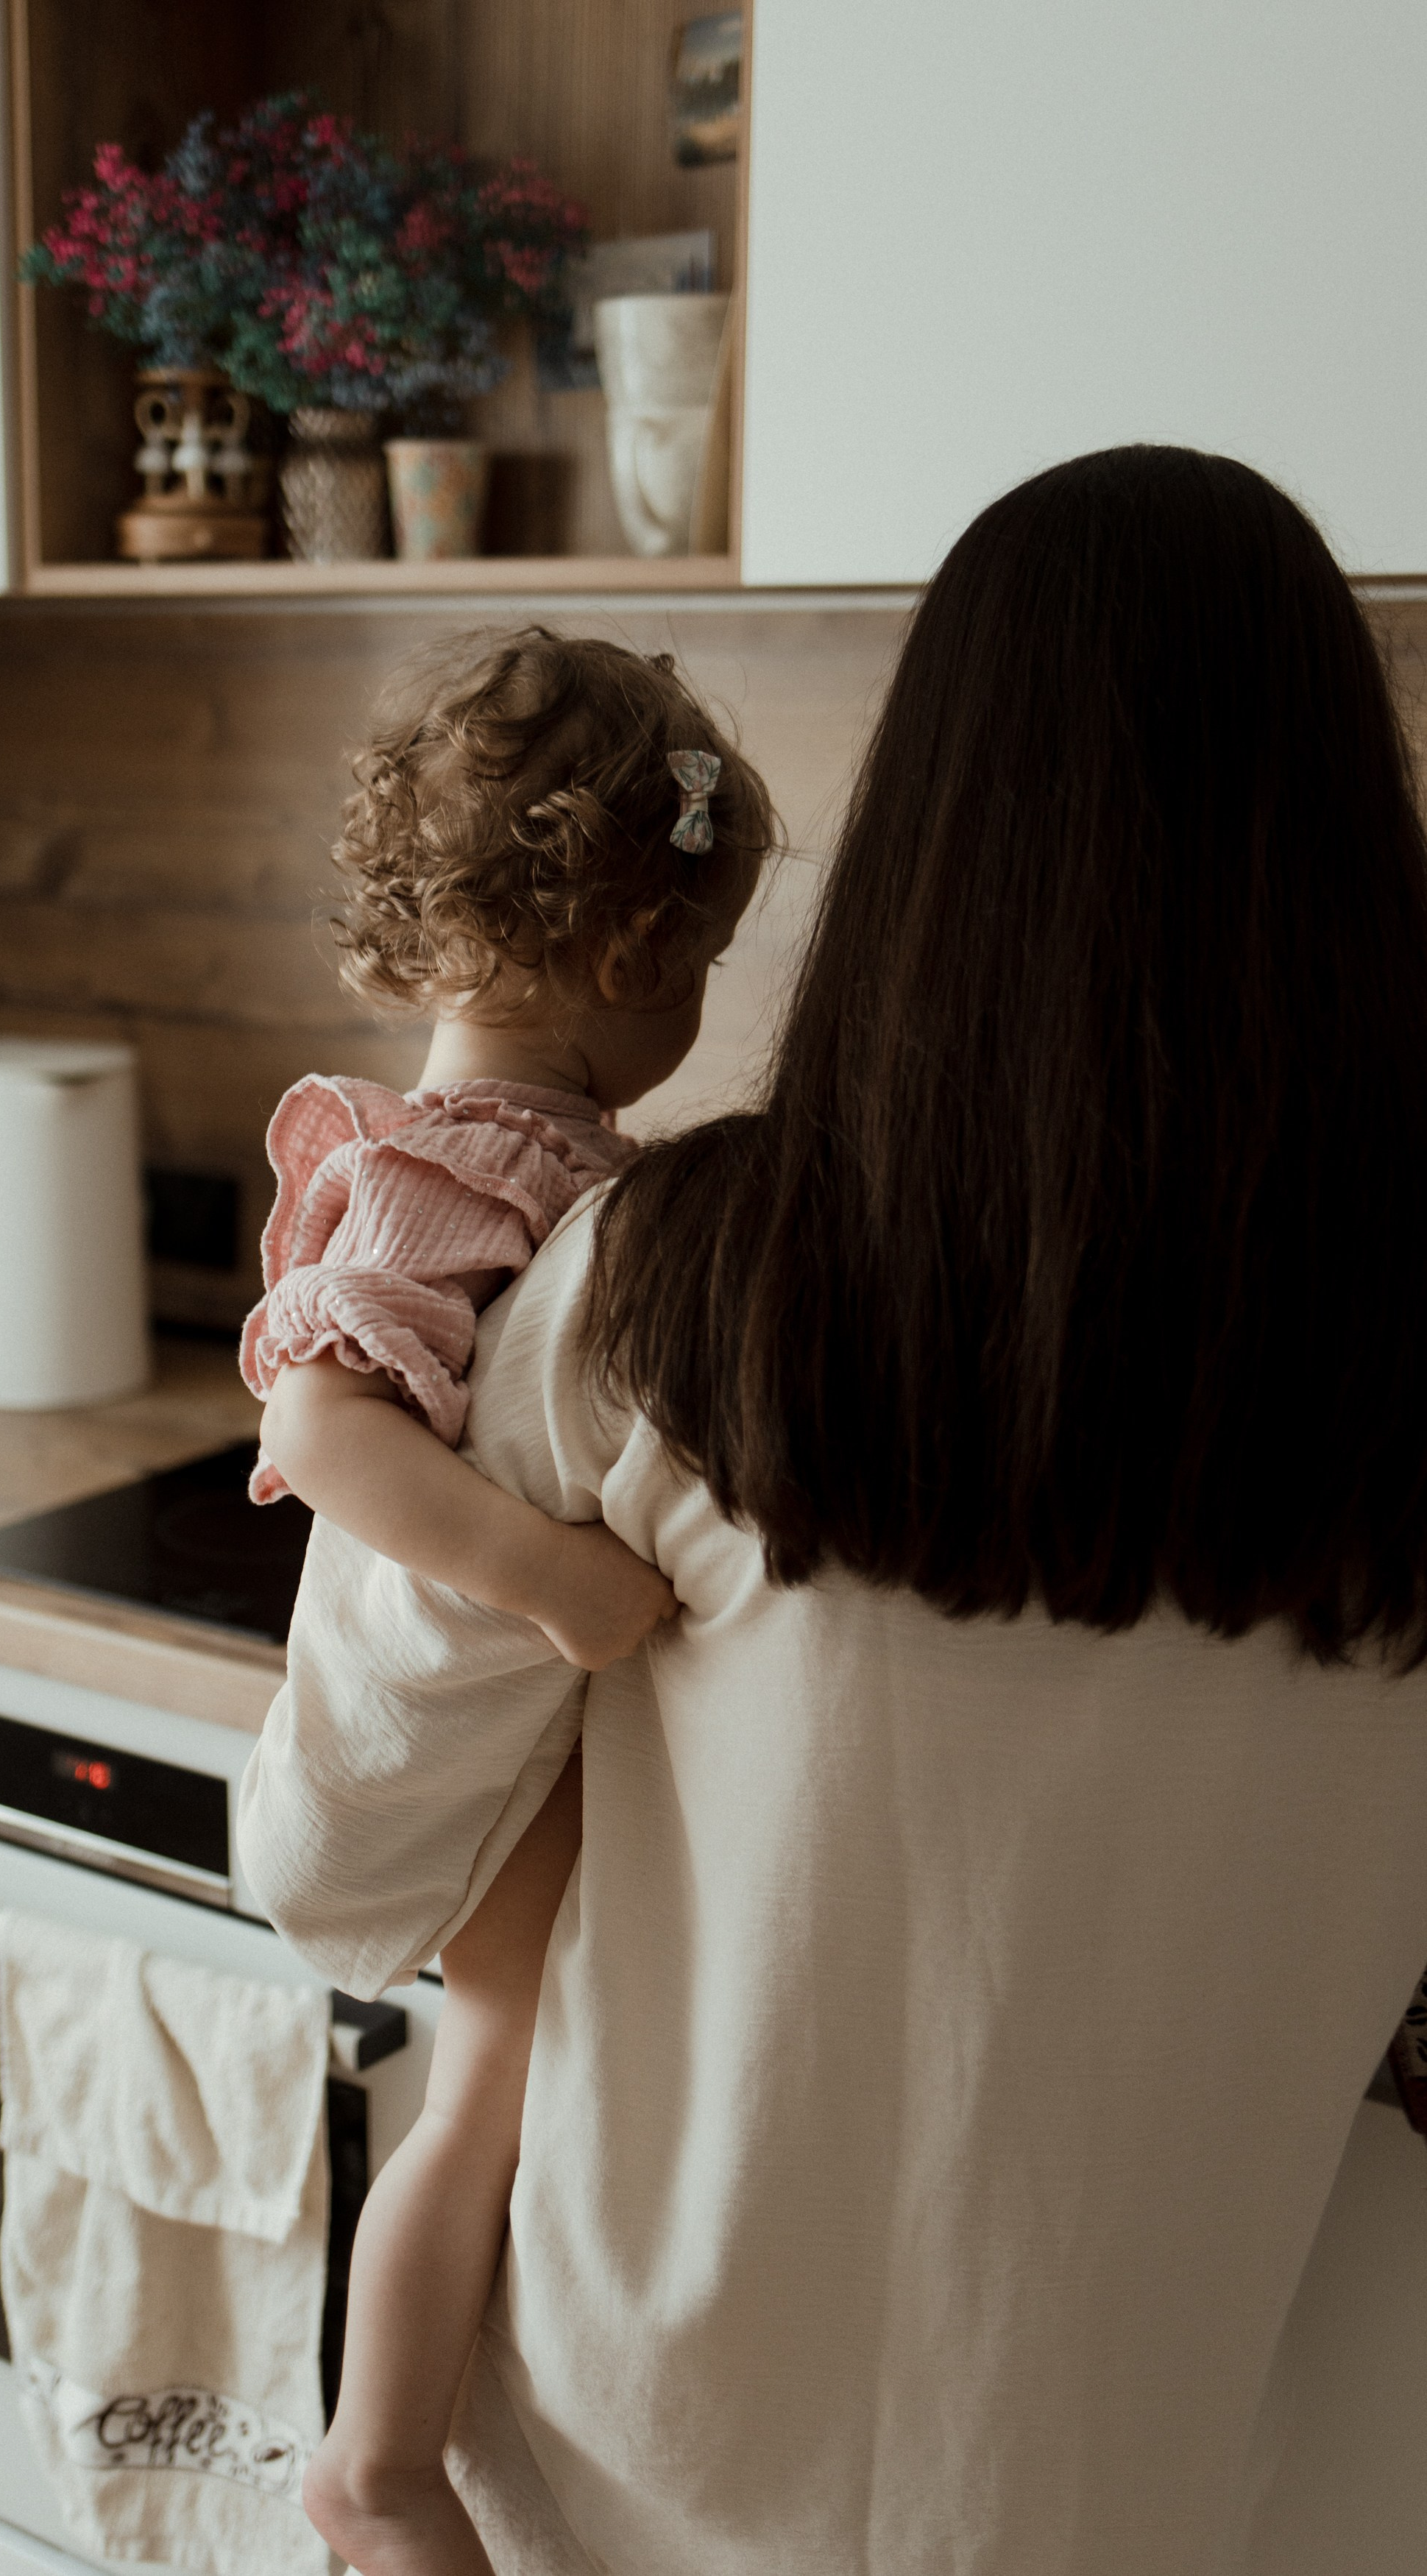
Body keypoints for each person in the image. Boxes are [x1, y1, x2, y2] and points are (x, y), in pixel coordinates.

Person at [240, 447, 1427, 2576]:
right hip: (1176, 2485)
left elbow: (327, 1863)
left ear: (928, 831)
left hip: (638, 2483)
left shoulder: (665, 1287)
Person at [236, 627, 775, 2575]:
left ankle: (408, 2453)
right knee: (486, 2084)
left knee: (516, 2077)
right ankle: (374, 2467)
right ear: (633, 956)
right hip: (419, 1751)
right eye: (703, 966)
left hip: (492, 1745)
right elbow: (323, 1420)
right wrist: (550, 1576)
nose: (699, 1003)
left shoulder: (537, 1160)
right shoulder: (455, 1163)